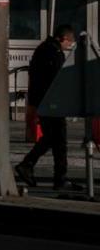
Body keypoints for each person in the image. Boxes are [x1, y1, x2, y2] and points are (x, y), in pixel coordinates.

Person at [19, 23, 76, 189]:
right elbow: (57, 80)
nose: (69, 46)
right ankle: (57, 177)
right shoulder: (54, 52)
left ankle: (35, 168)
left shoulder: (44, 48)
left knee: (53, 139)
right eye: (69, 43)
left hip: (43, 102)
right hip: (52, 103)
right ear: (64, 38)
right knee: (59, 141)